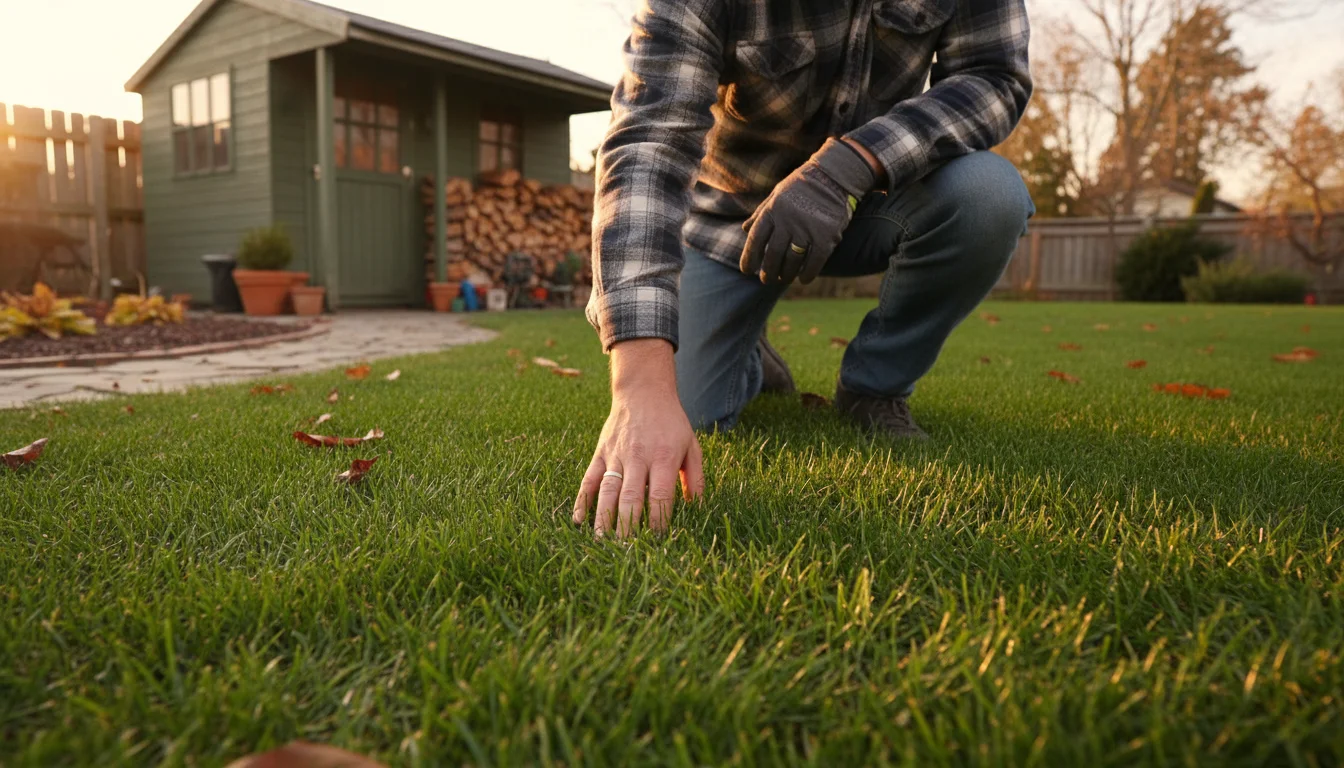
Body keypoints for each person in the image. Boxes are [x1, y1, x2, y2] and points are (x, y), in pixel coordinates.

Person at [573, 0, 1035, 537]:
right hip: (728, 224)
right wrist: (640, 385)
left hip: (870, 201)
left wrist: (852, 164)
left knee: (988, 196)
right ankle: (748, 353)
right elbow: (648, 145)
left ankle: (873, 388)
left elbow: (993, 76)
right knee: (687, 407)